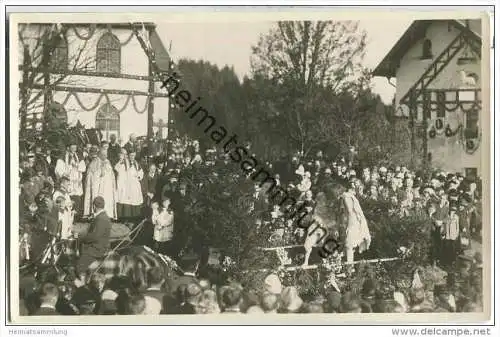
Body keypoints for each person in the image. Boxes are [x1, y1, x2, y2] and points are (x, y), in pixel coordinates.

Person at [77, 196, 112, 281]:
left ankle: (83, 285)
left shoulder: (101, 219)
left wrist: (80, 237)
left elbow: (94, 236)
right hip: (100, 245)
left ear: (94, 206)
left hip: (97, 248)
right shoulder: (103, 217)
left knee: (80, 266)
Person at [342, 179, 371, 267]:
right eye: (355, 185)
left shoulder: (354, 196)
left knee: (355, 243)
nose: (357, 187)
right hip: (352, 221)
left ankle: (352, 267)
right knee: (350, 244)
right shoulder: (347, 196)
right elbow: (350, 211)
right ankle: (349, 267)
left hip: (358, 221)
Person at [83, 147, 117, 220]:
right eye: (104, 155)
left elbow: (111, 173)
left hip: (107, 187)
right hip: (97, 188)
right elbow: (92, 177)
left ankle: (108, 214)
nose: (106, 156)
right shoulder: (94, 162)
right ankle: (95, 214)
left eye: (106, 155)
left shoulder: (107, 162)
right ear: (100, 155)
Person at [116, 150, 144, 222]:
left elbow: (141, 172)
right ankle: (125, 218)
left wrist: (138, 176)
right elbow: (118, 169)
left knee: (134, 200)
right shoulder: (124, 163)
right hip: (126, 185)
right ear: (128, 155)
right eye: (131, 155)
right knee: (126, 201)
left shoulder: (136, 163)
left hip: (134, 185)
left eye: (134, 155)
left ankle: (134, 218)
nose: (132, 157)